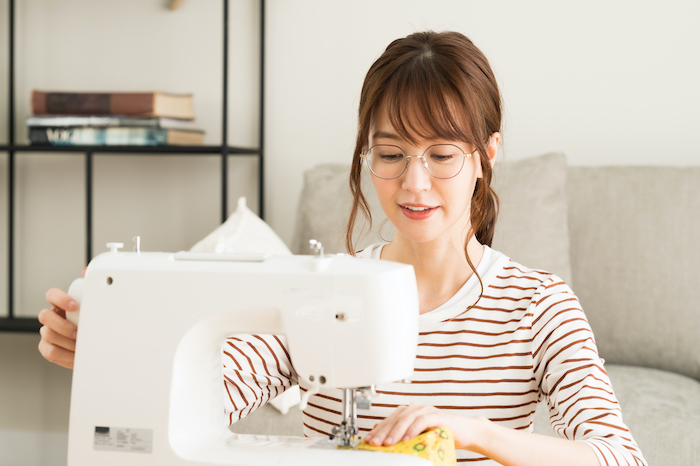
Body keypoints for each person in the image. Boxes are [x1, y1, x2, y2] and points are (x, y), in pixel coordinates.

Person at [39, 31, 646, 465]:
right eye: (390, 155)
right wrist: (115, 354)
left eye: (440, 155)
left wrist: (471, 432)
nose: (414, 183)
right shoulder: (321, 294)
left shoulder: (539, 308)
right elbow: (209, 395)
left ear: (487, 157)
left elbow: (619, 457)